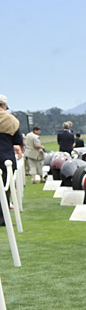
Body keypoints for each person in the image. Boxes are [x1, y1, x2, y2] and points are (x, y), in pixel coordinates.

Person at [0, 94, 23, 224]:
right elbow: (17, 140)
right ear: (3, 105)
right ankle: (2, 218)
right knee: (5, 190)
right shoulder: (12, 120)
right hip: (5, 156)